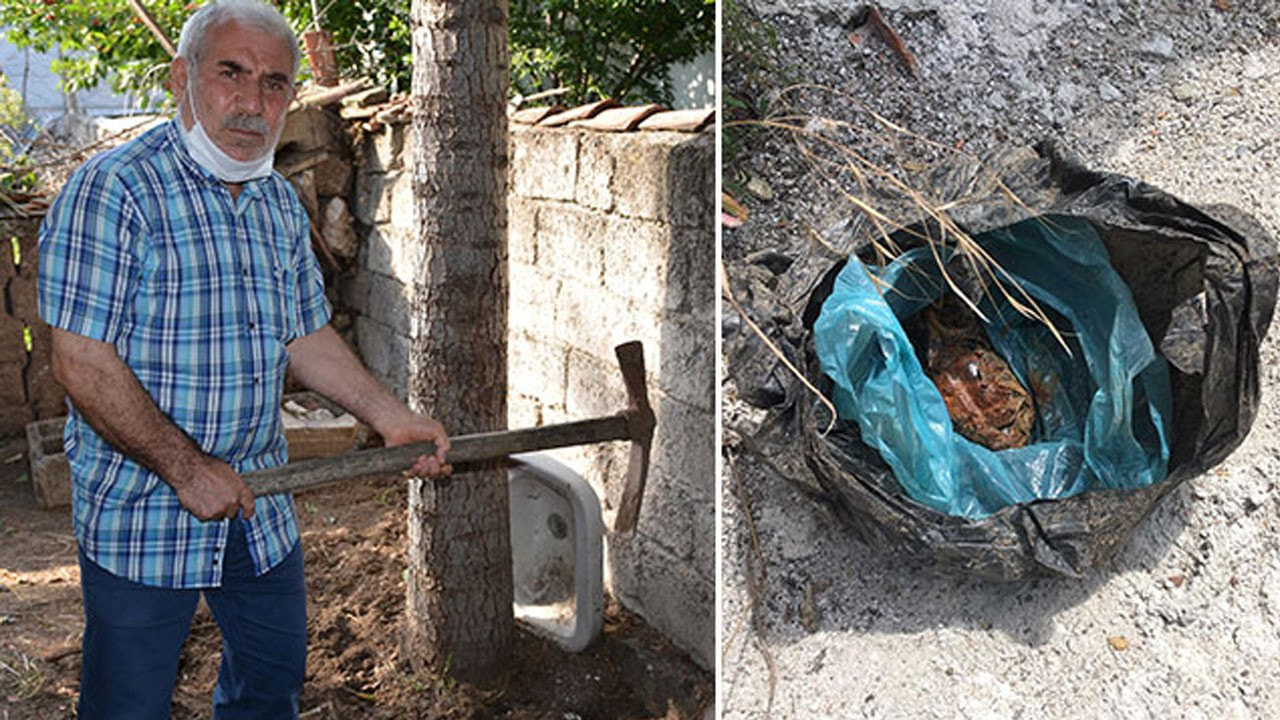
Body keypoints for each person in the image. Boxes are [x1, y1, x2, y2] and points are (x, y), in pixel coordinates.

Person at [37, 1, 451, 717]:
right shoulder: (113, 192)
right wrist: (188, 469)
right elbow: (80, 362)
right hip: (144, 509)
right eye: (232, 73)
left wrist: (393, 416)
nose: (254, 102)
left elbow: (305, 337)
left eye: (275, 83)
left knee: (270, 688)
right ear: (181, 78)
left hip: (260, 503)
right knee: (127, 705)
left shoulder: (277, 205)